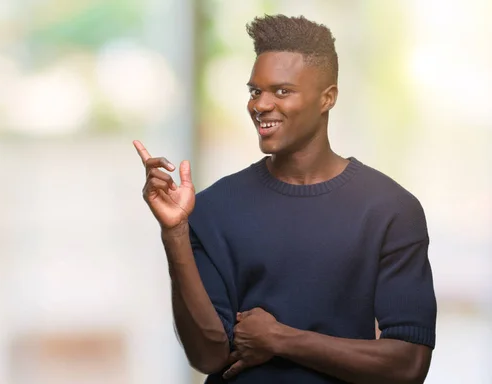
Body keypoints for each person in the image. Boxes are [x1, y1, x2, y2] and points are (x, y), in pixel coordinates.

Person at [133, 14, 436, 384]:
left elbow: (408, 364)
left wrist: (281, 339)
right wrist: (175, 232)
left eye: (282, 91)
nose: (260, 105)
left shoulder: (390, 209)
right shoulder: (212, 208)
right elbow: (208, 356)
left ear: (328, 98)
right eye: (254, 91)